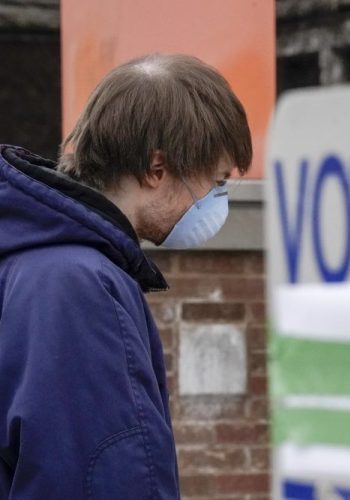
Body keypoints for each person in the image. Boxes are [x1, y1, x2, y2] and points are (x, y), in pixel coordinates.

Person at [0, 53, 252, 498]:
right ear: (157, 170)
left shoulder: (38, 255)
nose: (218, 200)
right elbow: (103, 473)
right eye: (215, 181)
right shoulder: (78, 284)